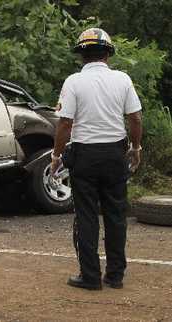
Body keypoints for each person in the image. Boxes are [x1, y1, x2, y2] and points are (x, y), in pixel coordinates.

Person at [51, 28, 143, 290]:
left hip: (85, 156)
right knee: (116, 215)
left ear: (81, 55)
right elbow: (135, 118)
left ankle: (90, 276)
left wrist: (57, 155)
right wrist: (135, 148)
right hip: (115, 154)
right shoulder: (123, 79)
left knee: (87, 216)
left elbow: (65, 123)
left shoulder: (73, 82)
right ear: (108, 54)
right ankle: (115, 276)